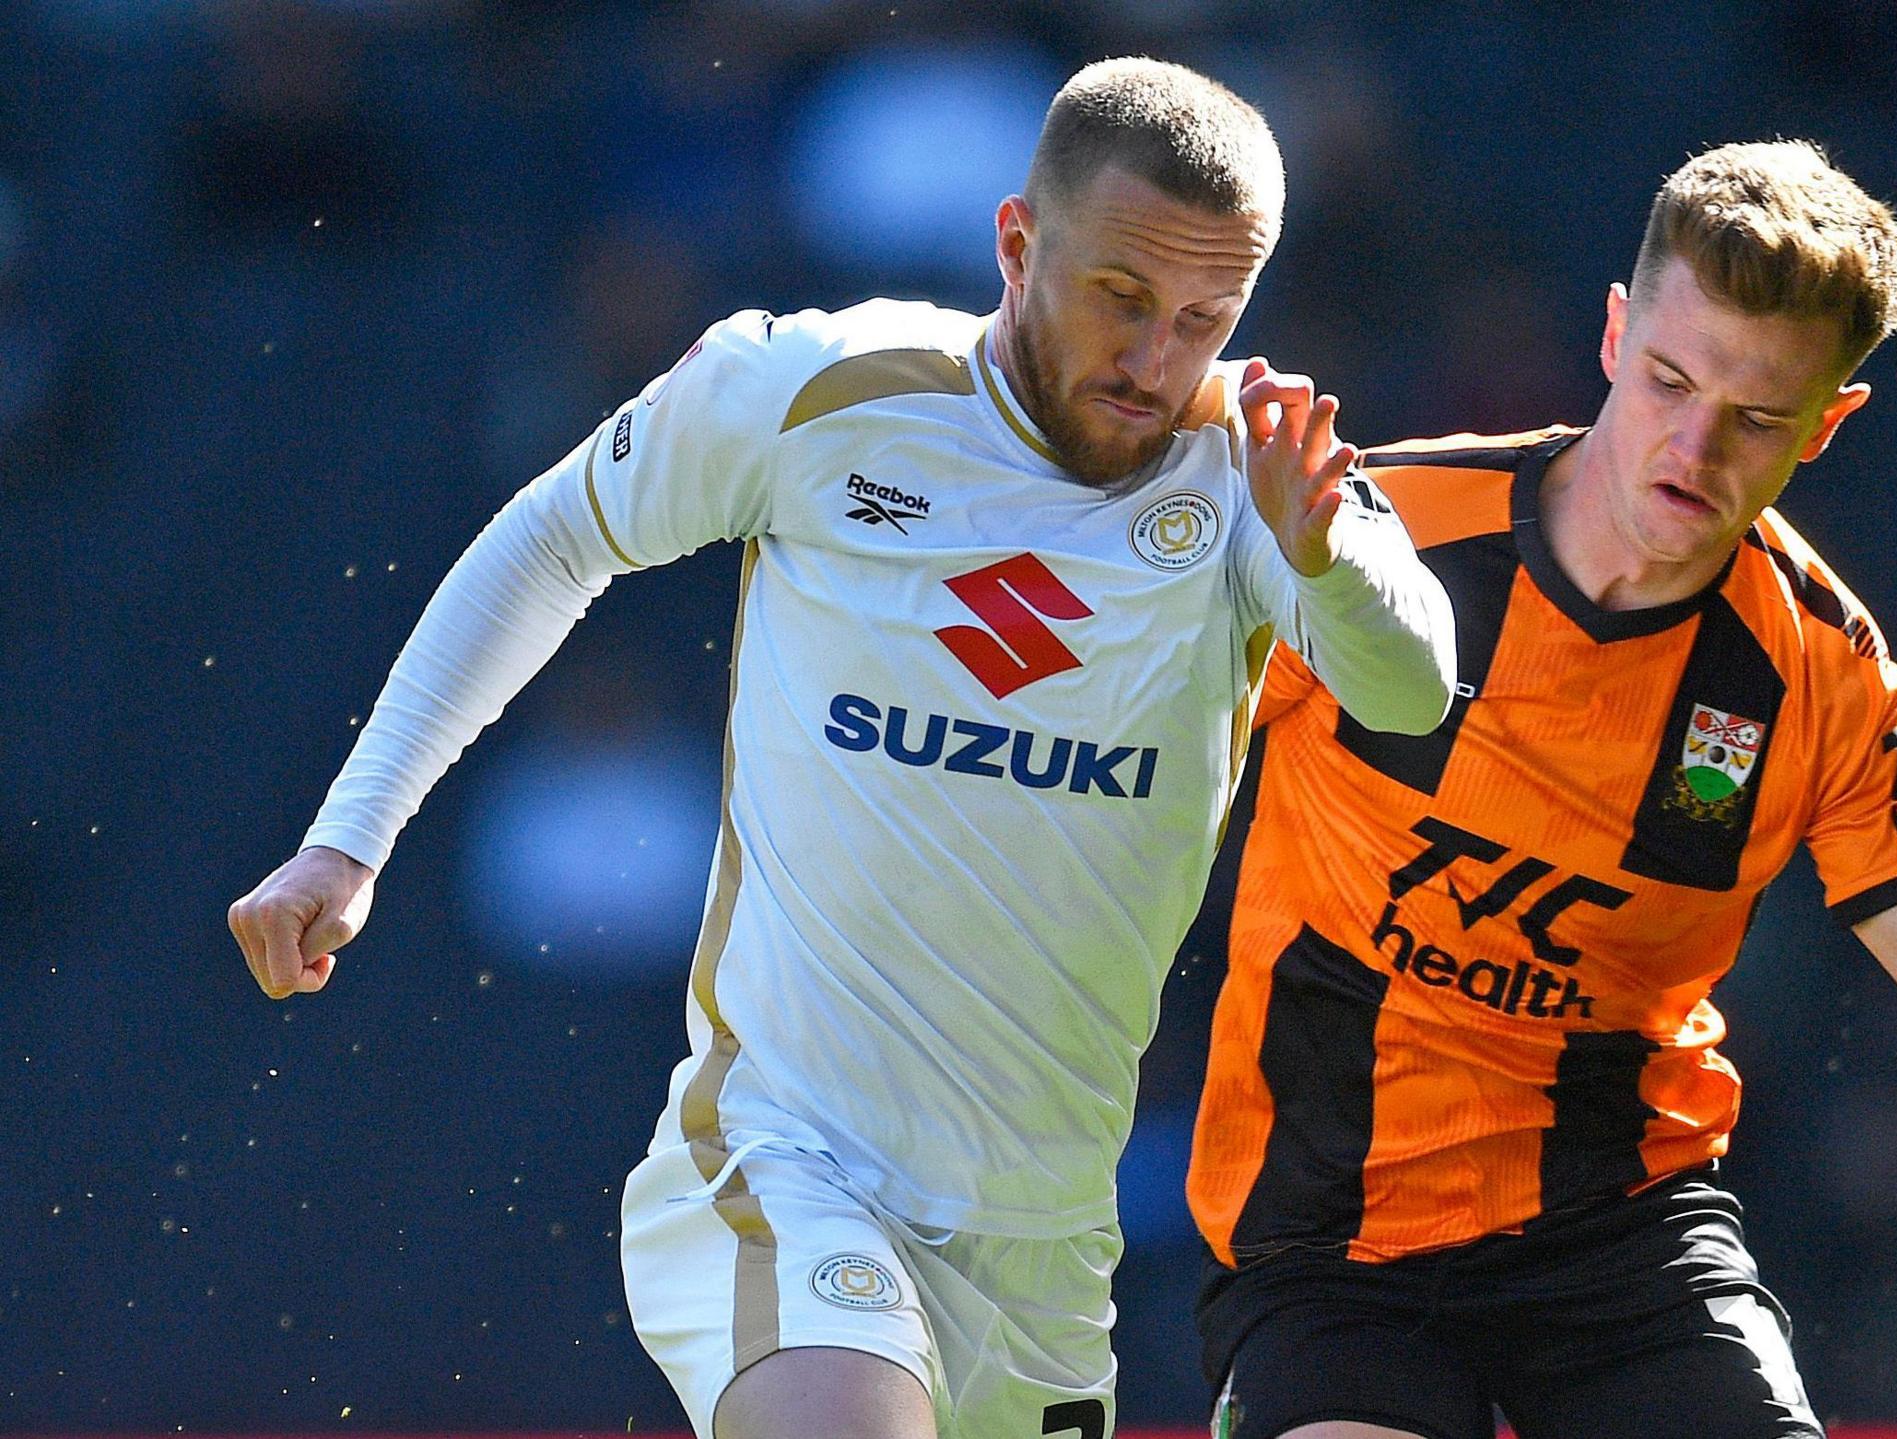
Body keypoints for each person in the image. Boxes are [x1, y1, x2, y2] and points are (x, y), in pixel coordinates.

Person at [225, 58, 1456, 1439]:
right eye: (1121, 299)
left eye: (1202, 318)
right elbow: (558, 532)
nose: (1157, 361)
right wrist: (352, 829)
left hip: (1040, 1239)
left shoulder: (1254, 478)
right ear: (1016, 243)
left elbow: (1412, 686)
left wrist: (1324, 558)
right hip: (788, 1165)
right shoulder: (821, 388)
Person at [1185, 140, 1897, 1439]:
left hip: (1622, 1245)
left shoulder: (1819, 674)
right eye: (1670, 380)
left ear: (1828, 423)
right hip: (1329, 1241)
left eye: (1758, 415)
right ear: (1614, 335)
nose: (1694, 442)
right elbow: (1120, 752)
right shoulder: (1372, 535)